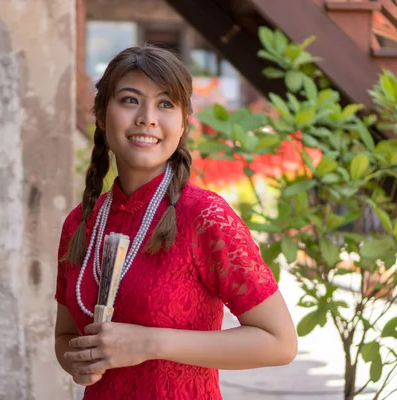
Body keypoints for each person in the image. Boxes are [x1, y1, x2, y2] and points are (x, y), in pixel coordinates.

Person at [54, 45, 297, 399]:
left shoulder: (205, 217)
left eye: (166, 104)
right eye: (129, 100)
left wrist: (150, 343)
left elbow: (280, 343)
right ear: (102, 116)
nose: (147, 118)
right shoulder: (80, 224)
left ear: (183, 124)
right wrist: (74, 360)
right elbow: (64, 337)